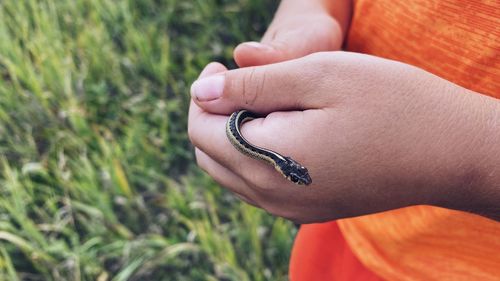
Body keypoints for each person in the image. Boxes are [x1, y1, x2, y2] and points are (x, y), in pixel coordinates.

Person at [188, 0, 500, 279]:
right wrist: (310, 11)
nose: (301, 178)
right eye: (298, 176)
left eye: (298, 176)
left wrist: (469, 154)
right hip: (352, 224)